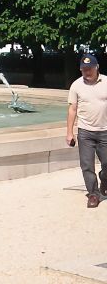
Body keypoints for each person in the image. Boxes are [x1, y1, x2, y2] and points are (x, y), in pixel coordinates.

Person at [66, 53, 107, 208]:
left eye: (89, 69)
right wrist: (69, 132)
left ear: (97, 67)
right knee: (87, 165)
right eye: (83, 69)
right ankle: (93, 194)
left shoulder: (106, 82)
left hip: (105, 131)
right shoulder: (76, 85)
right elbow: (72, 109)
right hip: (85, 132)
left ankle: (105, 179)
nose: (86, 72)